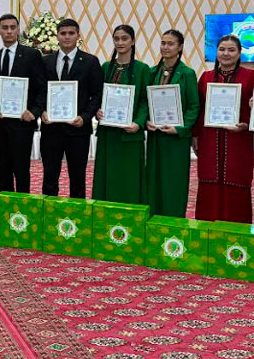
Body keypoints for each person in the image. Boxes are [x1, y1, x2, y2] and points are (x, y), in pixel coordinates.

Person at [192, 34, 254, 223]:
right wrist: (195, 135)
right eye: (222, 49)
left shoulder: (251, 77)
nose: (226, 53)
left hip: (238, 140)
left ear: (239, 53)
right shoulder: (206, 77)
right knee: (209, 182)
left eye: (231, 50)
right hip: (209, 140)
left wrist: (246, 123)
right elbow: (198, 109)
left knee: (236, 181)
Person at [40, 18, 103, 198]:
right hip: (51, 129)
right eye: (63, 33)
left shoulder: (90, 62)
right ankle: (49, 210)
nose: (67, 37)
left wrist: (85, 117)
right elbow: (38, 91)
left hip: (78, 130)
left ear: (78, 35)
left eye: (71, 33)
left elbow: (97, 94)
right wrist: (42, 111)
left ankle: (77, 212)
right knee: (49, 177)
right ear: (57, 36)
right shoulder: (45, 61)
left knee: (78, 178)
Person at [92, 25, 150, 204]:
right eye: (116, 39)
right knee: (107, 174)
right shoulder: (105, 67)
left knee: (129, 177)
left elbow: (145, 101)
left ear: (133, 41)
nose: (120, 42)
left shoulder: (142, 69)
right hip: (108, 134)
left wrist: (138, 123)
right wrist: (97, 111)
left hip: (130, 133)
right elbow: (98, 95)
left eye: (124, 38)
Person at [0, 13, 46, 193]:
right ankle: (5, 203)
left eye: (12, 27)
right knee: (2, 169)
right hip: (0, 124)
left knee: (21, 170)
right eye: (5, 28)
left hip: (23, 122)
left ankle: (22, 205)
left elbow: (41, 87)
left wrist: (34, 112)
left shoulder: (32, 55)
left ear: (18, 30)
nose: (9, 31)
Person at [145, 29, 200, 217]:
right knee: (154, 178)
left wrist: (180, 128)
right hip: (156, 136)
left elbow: (193, 106)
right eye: (163, 43)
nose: (165, 47)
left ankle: (174, 218)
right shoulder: (152, 72)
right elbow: (145, 102)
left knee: (174, 180)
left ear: (180, 47)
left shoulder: (187, 74)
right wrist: (147, 121)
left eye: (170, 43)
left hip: (176, 138)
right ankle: (153, 219)